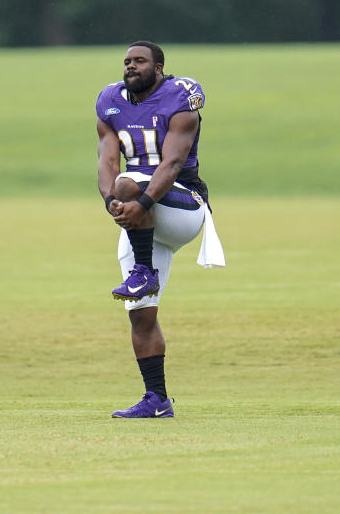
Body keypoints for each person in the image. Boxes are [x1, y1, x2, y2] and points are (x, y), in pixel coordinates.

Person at [95, 40, 224, 418]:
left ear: (159, 67)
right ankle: (157, 400)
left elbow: (172, 162)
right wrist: (112, 204)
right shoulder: (109, 100)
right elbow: (107, 158)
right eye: (126, 62)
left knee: (128, 183)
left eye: (139, 61)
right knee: (141, 313)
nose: (130, 67)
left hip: (182, 205)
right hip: (142, 217)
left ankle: (143, 270)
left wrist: (138, 202)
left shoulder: (180, 96)